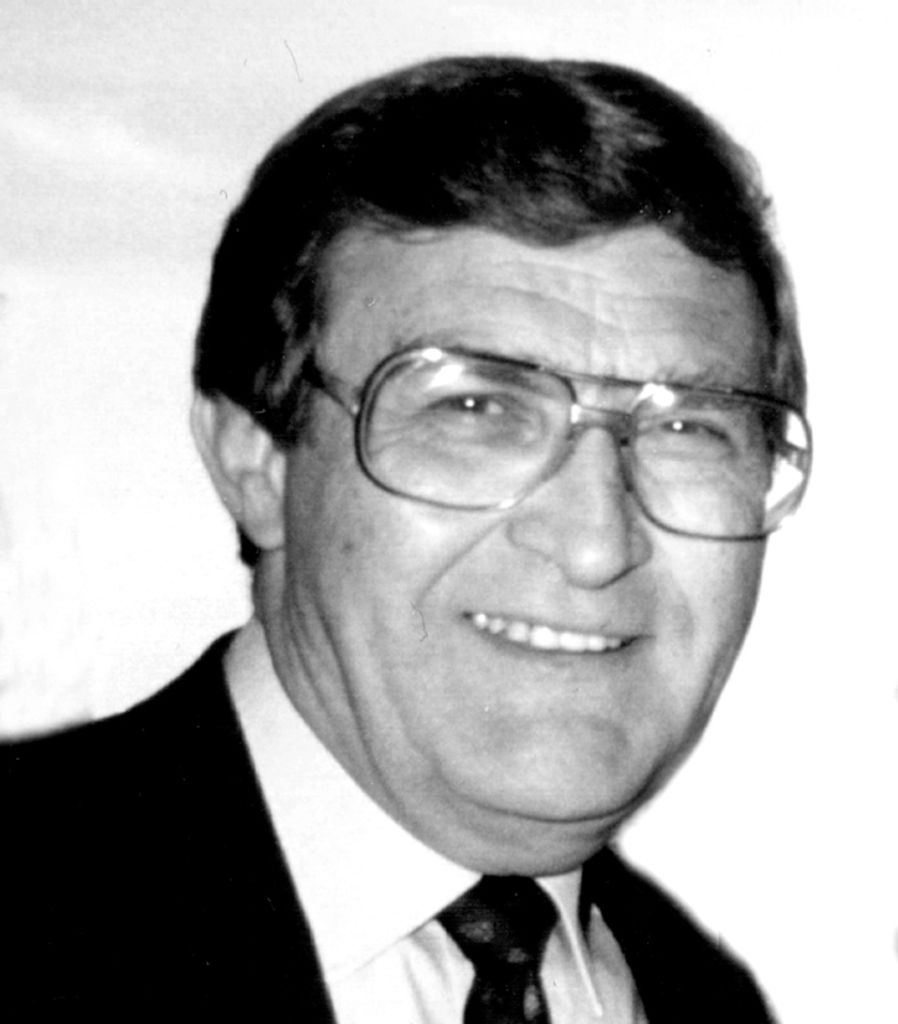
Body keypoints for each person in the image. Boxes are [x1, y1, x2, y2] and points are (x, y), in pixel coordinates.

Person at [2, 55, 811, 1019]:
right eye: (474, 409)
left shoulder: (707, 1000)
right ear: (258, 463)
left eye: (687, 428)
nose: (597, 544)